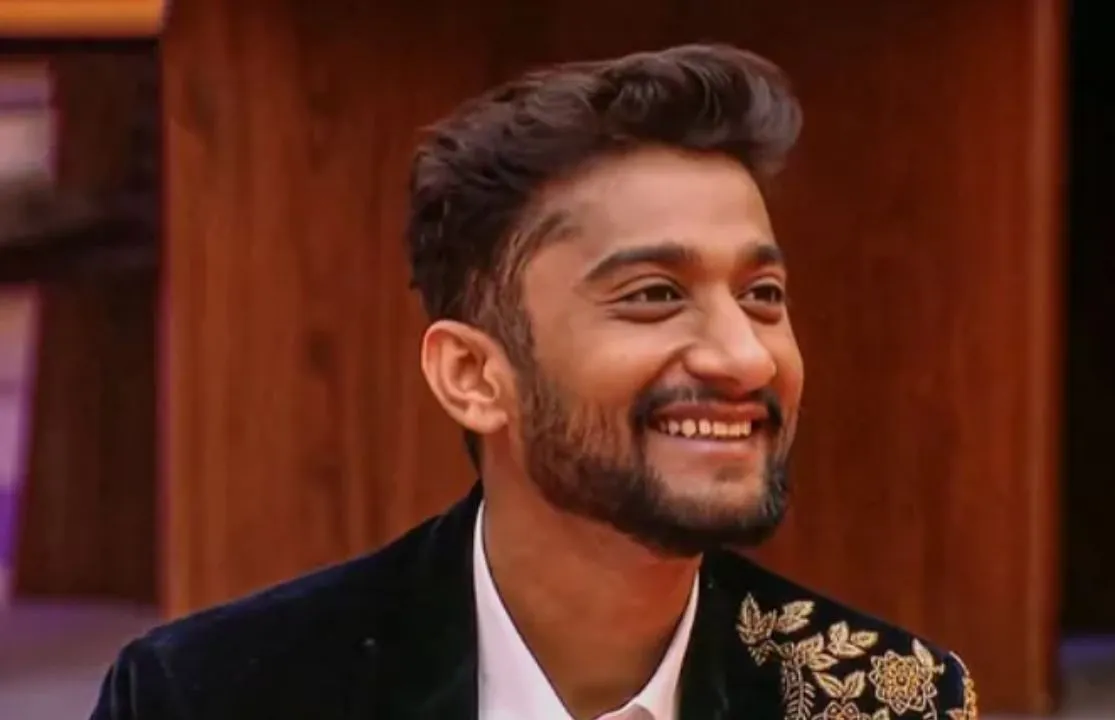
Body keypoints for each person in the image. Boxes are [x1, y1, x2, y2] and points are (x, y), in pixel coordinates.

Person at [90, 44, 978, 720]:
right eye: (655, 295)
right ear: (474, 376)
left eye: (763, 295)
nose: (745, 358)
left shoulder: (882, 698)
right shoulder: (215, 696)